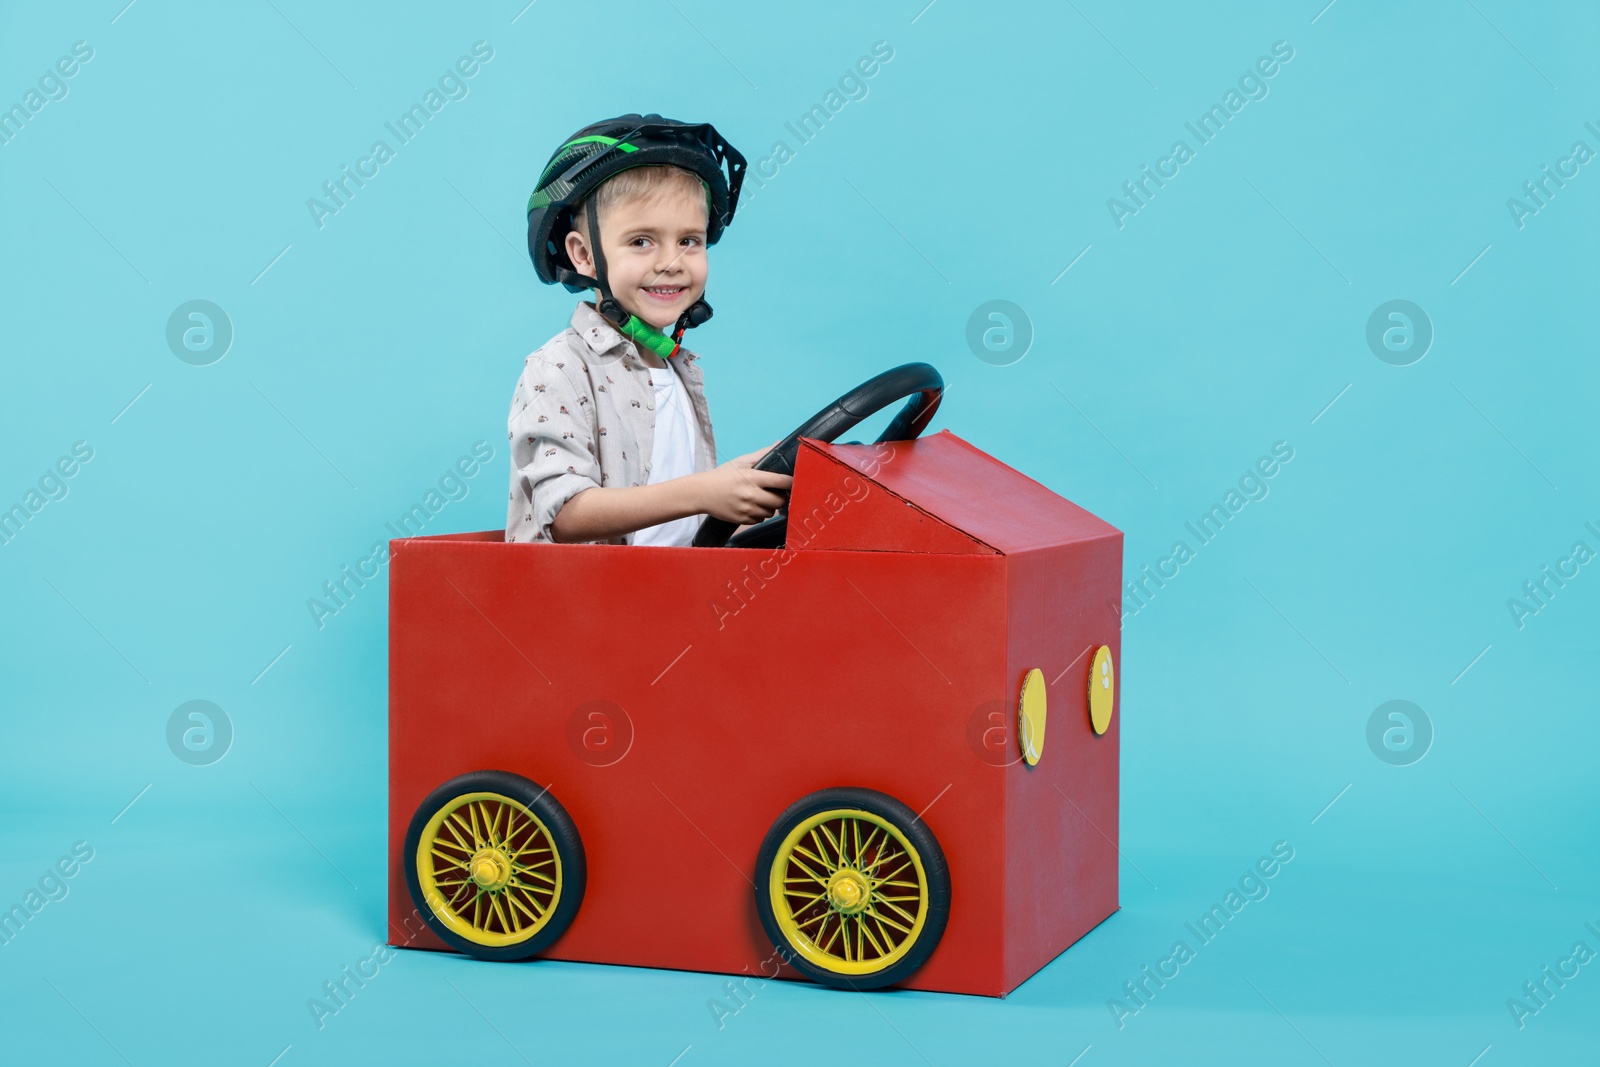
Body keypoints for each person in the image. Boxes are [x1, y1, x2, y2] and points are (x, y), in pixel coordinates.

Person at [506, 114, 792, 546]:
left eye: (689, 240)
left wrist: (749, 499)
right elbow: (565, 513)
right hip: (577, 608)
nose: (671, 262)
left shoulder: (678, 369)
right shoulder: (558, 368)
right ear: (584, 256)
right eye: (641, 241)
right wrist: (705, 492)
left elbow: (674, 531)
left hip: (667, 600)